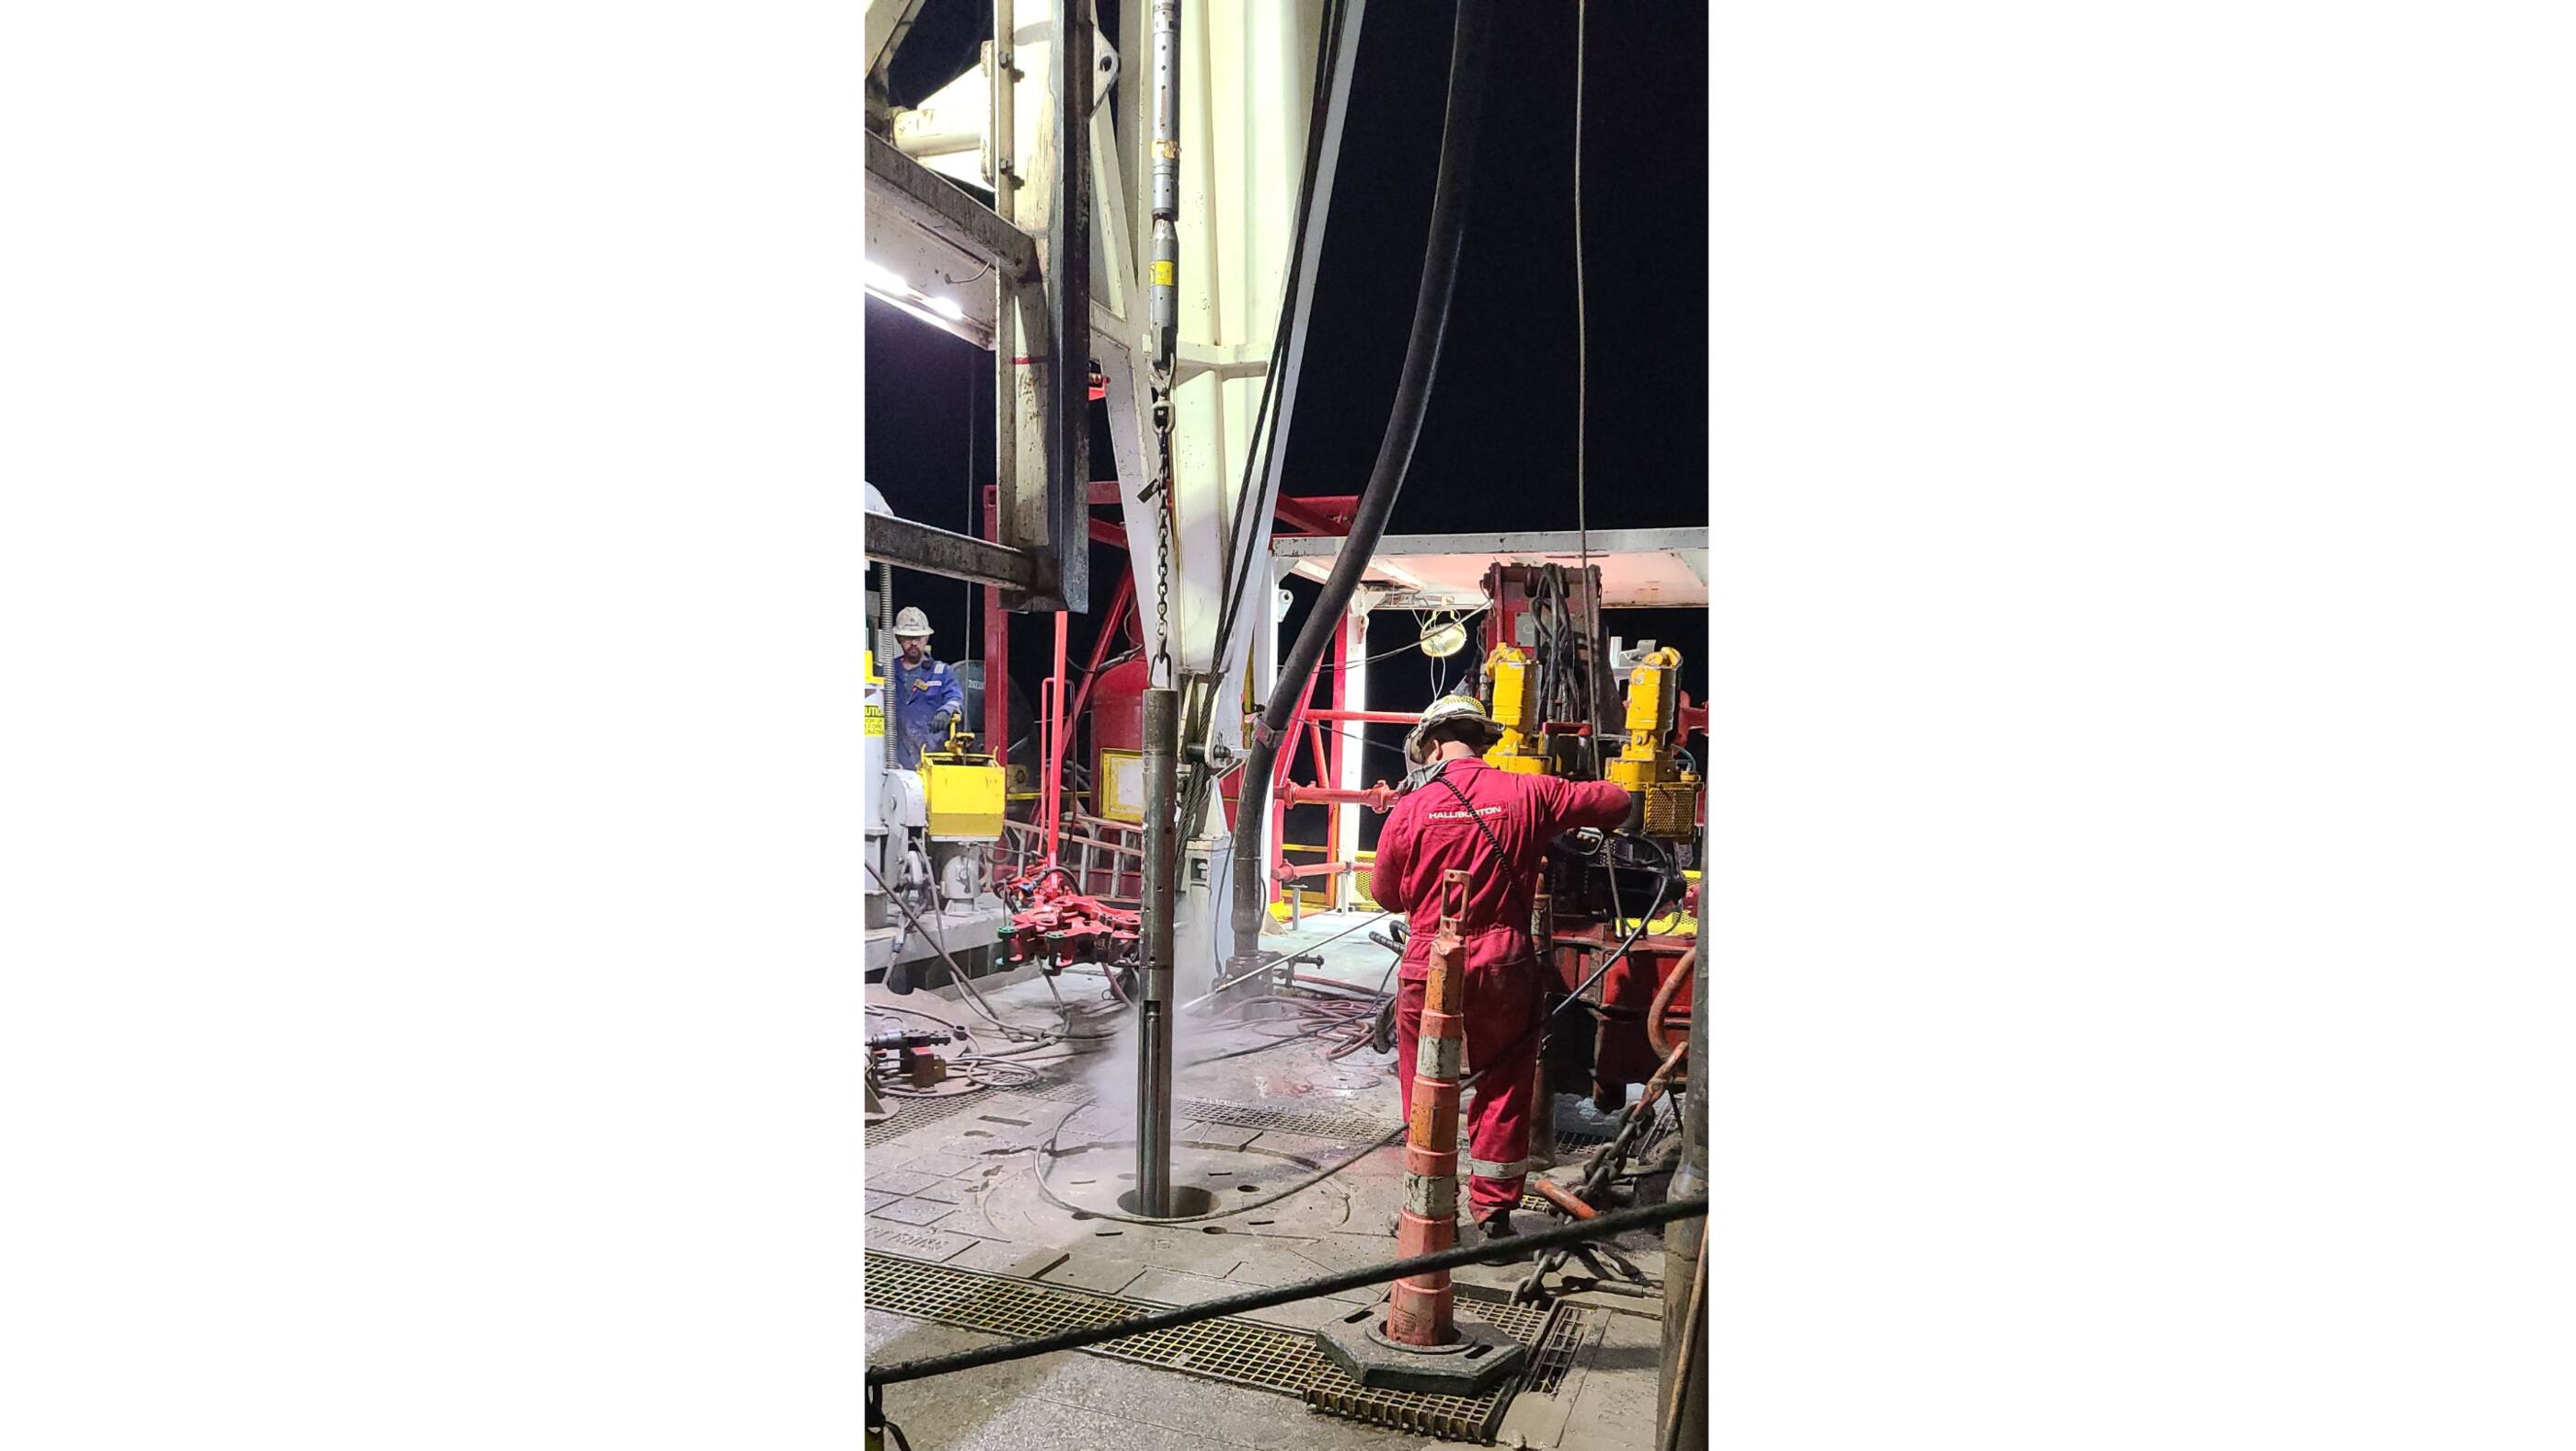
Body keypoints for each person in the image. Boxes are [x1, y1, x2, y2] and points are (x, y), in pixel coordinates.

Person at [1367, 694, 1634, 1249]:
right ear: (1483, 739)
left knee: (1426, 1088)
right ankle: (1493, 1218)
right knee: (1505, 1084)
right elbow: (1616, 802)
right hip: (1506, 959)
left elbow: (1387, 895)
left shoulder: (1411, 808)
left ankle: (1427, 1211)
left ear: (1431, 743)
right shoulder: (1528, 790)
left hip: (1430, 960)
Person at [887, 606, 964, 770]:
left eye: (918, 638)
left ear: (927, 638)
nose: (913, 643)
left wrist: (946, 711)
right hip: (896, 757)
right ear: (898, 638)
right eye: (908, 638)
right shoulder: (887, 671)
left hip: (933, 756)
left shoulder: (941, 672)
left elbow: (955, 698)